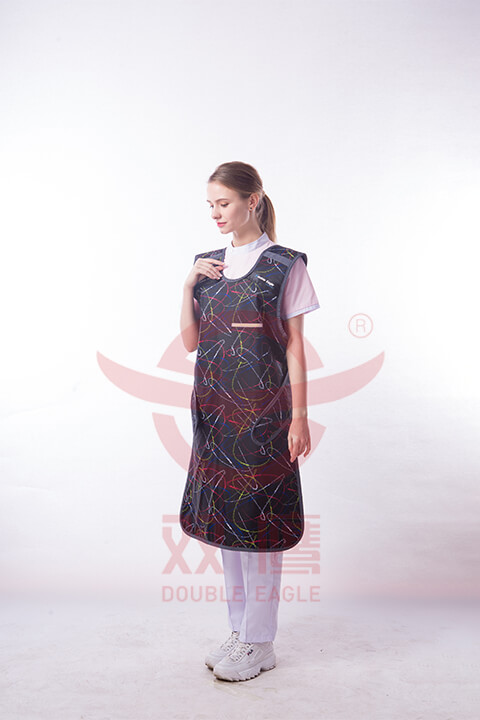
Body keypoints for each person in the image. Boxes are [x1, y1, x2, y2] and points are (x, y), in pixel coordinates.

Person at [179, 161, 320, 682]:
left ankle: (260, 641)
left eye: (224, 203)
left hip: (265, 419)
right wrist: (187, 284)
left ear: (252, 200)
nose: (216, 214)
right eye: (210, 205)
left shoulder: (285, 265)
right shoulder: (209, 266)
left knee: (259, 524)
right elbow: (191, 343)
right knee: (228, 527)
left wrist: (300, 418)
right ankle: (240, 631)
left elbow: (297, 347)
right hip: (216, 417)